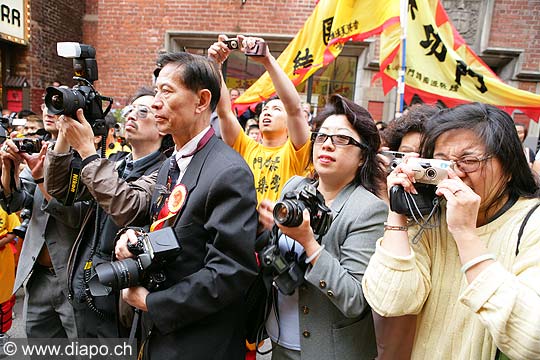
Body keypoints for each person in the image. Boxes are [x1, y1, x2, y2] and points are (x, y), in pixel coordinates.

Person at [45, 52, 259, 359]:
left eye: (167, 92)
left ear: (201, 101)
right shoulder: (172, 164)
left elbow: (230, 272)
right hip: (154, 336)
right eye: (156, 90)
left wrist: (154, 303)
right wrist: (132, 238)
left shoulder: (228, 172)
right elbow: (165, 228)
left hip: (197, 342)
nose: (156, 101)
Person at [363, 103, 540, 359]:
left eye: (468, 161)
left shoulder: (531, 222)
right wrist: (398, 210)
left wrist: (465, 233)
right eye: (443, 163)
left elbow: (531, 339)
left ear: (509, 167)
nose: (455, 173)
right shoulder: (433, 215)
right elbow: (392, 300)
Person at [257, 94, 387, 359]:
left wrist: (310, 244)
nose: (327, 145)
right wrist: (266, 231)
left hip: (327, 349)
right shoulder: (295, 187)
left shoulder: (368, 209)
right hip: (278, 340)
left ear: (363, 157)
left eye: (342, 139)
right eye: (322, 136)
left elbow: (355, 300)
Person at [44, 87, 167, 338]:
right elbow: (59, 188)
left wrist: (88, 151)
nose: (131, 115)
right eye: (130, 109)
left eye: (143, 111)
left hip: (118, 299)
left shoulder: (164, 173)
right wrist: (66, 135)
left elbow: (126, 207)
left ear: (162, 127)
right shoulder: (116, 164)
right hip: (84, 287)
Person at [0, 101, 84, 339]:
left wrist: (40, 179)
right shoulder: (38, 150)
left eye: (57, 107)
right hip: (37, 274)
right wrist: (10, 170)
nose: (48, 111)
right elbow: (14, 202)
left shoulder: (85, 158)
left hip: (72, 276)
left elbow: (73, 215)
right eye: (46, 106)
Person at [208, 35, 311, 204]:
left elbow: (294, 108)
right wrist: (215, 67)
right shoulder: (245, 146)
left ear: (289, 124)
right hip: (245, 227)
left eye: (276, 109)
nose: (267, 113)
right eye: (265, 109)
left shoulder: (296, 152)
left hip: (281, 228)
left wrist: (267, 61)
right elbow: (225, 112)